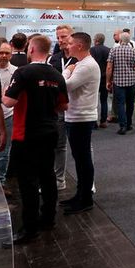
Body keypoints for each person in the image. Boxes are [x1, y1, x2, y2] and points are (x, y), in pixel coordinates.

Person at [2, 35, 68, 244]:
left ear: (31, 49)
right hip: (49, 131)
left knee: (28, 181)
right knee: (47, 175)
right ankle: (48, 219)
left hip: (26, 133)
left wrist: (4, 93)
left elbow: (9, 101)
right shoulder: (57, 75)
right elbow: (63, 105)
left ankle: (29, 229)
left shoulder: (23, 73)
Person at [60, 32, 100, 214]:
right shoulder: (83, 64)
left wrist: (67, 71)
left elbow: (65, 85)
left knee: (83, 160)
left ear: (80, 46)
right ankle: (81, 195)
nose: (67, 46)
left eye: (70, 43)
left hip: (81, 118)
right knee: (80, 159)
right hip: (76, 116)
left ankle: (85, 199)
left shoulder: (86, 66)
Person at [49, 24, 76, 191]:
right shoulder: (55, 57)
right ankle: (59, 180)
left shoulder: (80, 58)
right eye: (58, 37)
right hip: (59, 107)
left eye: (64, 36)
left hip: (77, 108)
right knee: (59, 145)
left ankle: (88, 182)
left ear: (72, 36)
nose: (61, 40)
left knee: (82, 147)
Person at [107, 31, 135, 135]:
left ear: (121, 40)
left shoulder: (113, 51)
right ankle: (129, 124)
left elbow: (109, 67)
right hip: (131, 81)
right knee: (130, 103)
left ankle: (122, 126)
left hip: (118, 82)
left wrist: (108, 81)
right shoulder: (134, 51)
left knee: (120, 104)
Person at [0, 41, 17, 184]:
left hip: (8, 115)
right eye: (1, 52)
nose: (3, 56)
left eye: (7, 53)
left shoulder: (16, 71)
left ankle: (1, 181)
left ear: (11, 55)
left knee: (4, 151)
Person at [90, 33, 111, 128]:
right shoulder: (108, 50)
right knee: (104, 100)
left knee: (93, 101)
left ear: (96, 40)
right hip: (105, 78)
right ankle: (103, 121)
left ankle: (94, 122)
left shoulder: (92, 50)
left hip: (94, 78)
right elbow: (110, 66)